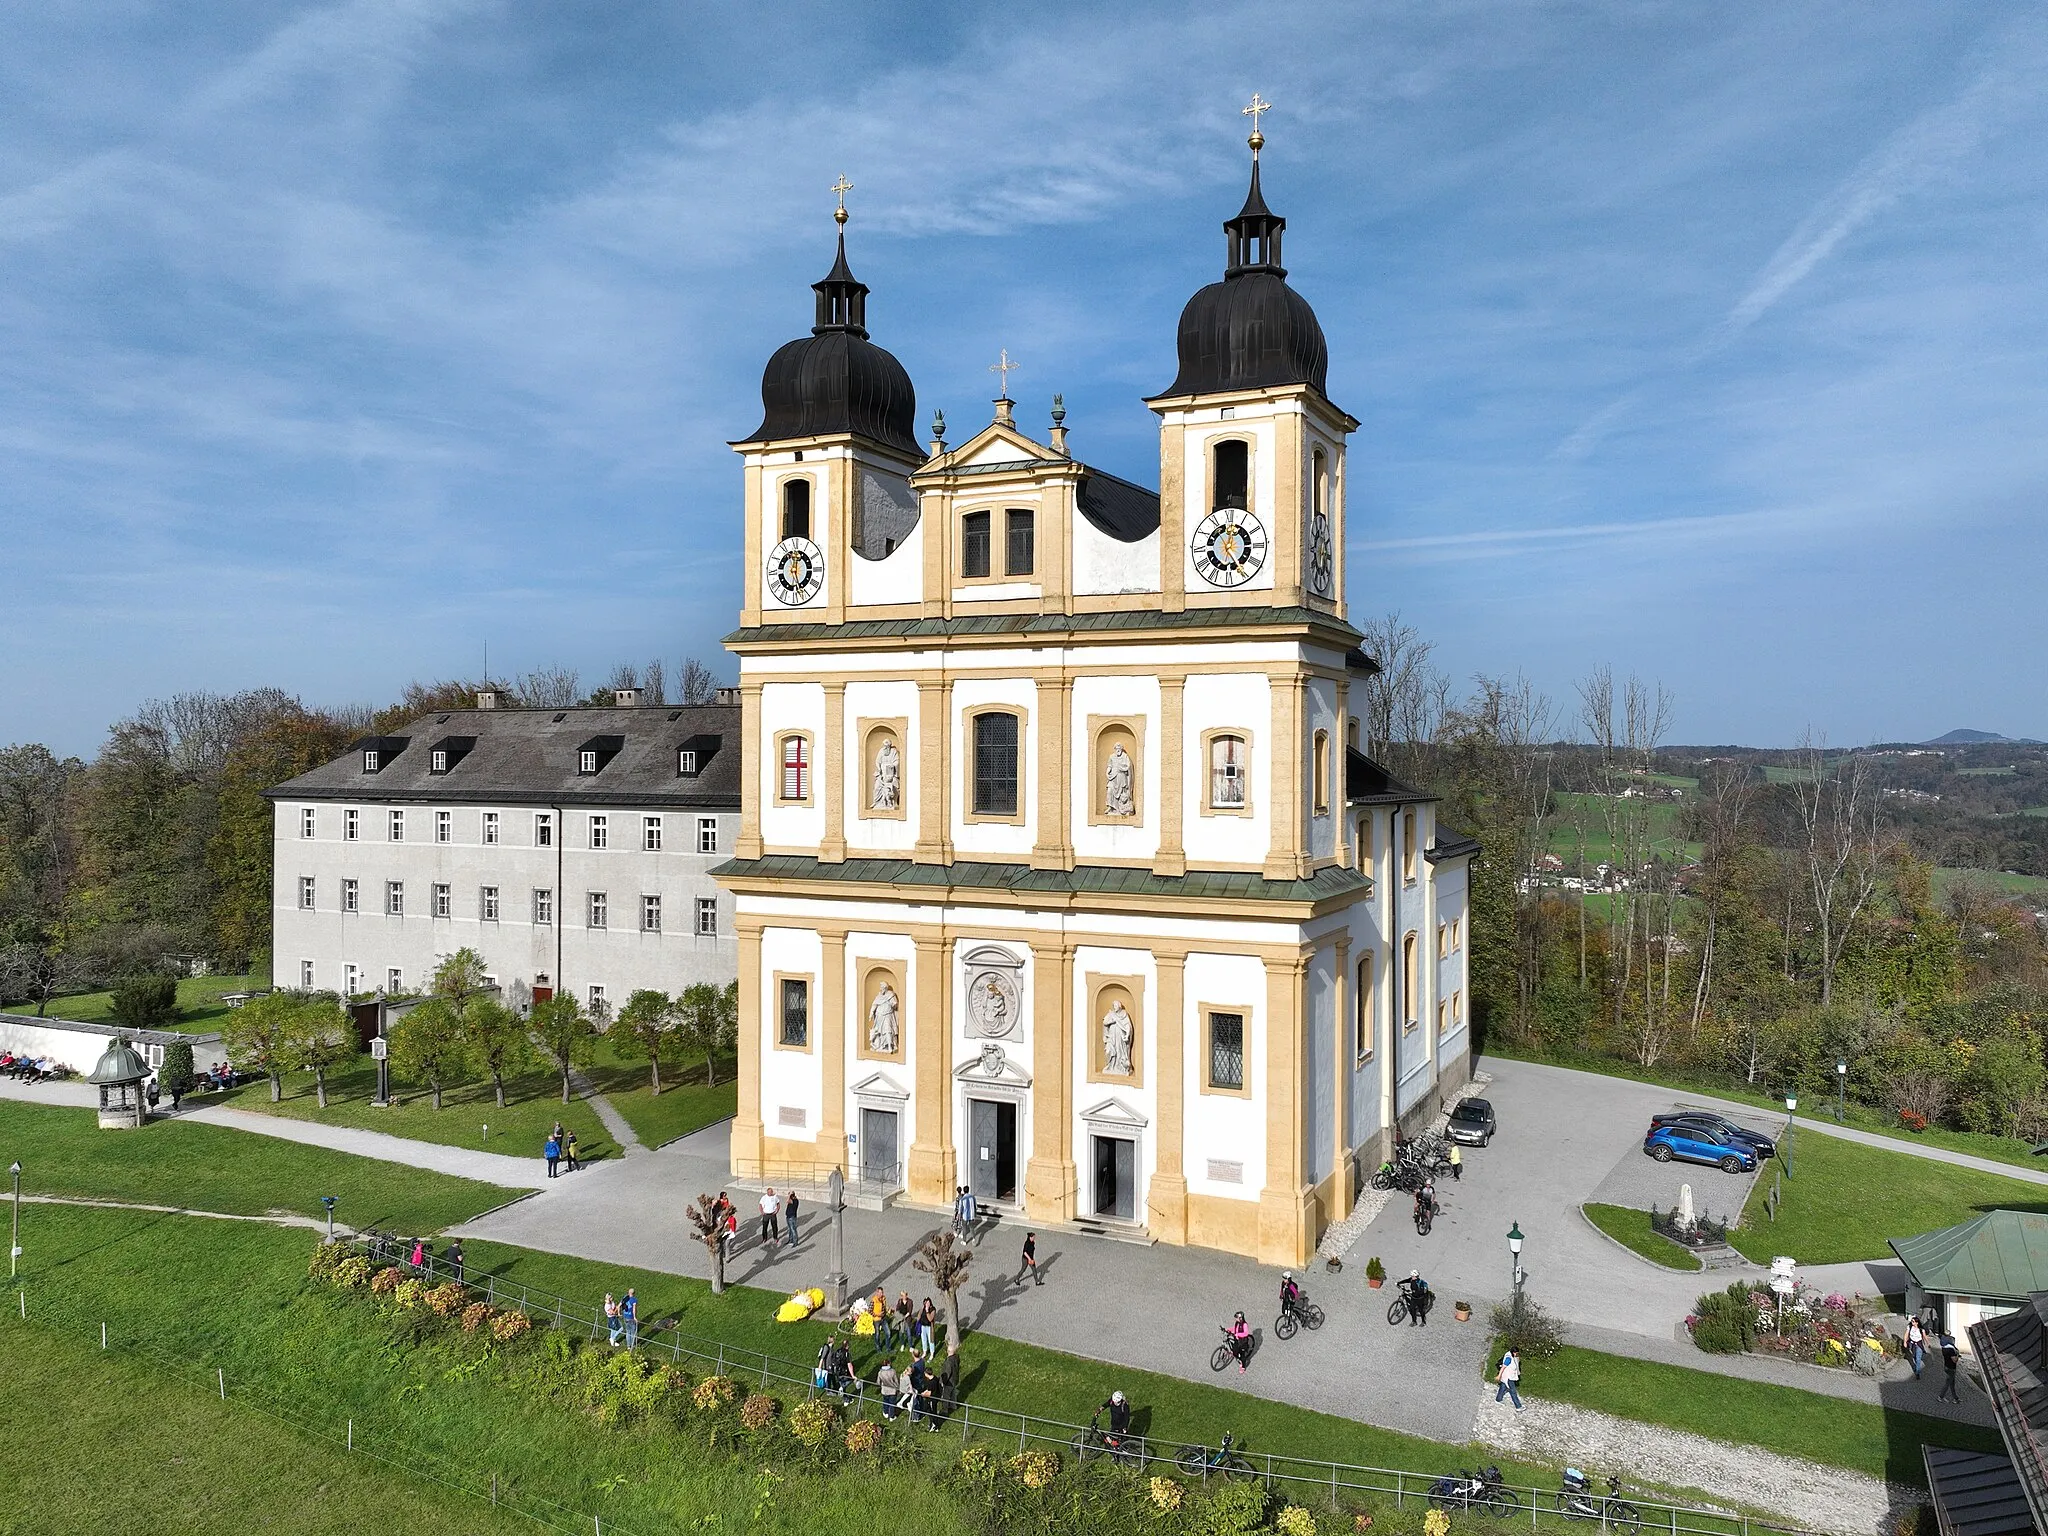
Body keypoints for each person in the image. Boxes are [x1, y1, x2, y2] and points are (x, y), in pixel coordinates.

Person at [876, 1356, 902, 1420]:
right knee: (892, 1403)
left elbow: (878, 1382)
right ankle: (891, 1416)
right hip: (892, 1390)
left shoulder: (880, 1372)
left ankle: (886, 1412)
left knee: (885, 1401)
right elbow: (896, 1381)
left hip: (884, 1390)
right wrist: (898, 1388)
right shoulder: (892, 1371)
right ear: (888, 1364)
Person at [1939, 1332, 1961, 1402]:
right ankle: (1941, 1396)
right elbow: (1954, 1360)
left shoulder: (1944, 1348)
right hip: (1951, 1368)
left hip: (1946, 1366)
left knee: (1952, 1383)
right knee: (1948, 1383)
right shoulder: (1951, 1350)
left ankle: (1955, 1398)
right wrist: (1957, 1355)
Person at [1905, 1315, 1926, 1380]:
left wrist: (1927, 1343)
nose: (1912, 1322)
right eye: (1911, 1321)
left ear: (1917, 1322)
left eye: (1913, 1321)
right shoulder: (1909, 1327)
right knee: (1914, 1356)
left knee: (1918, 1358)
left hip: (1919, 1344)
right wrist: (1905, 1342)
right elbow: (1906, 1334)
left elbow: (1924, 1336)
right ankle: (1917, 1366)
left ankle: (1917, 1373)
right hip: (1912, 1344)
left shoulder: (1921, 1329)